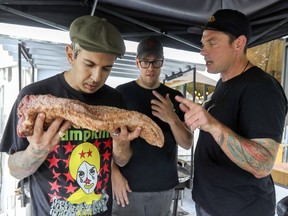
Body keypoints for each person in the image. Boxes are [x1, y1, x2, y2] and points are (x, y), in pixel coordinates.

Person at [0, 15, 141, 216]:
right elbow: (14, 169)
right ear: (70, 55)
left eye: (106, 68)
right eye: (89, 64)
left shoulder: (114, 99)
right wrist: (36, 152)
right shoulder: (35, 97)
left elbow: (122, 161)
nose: (96, 77)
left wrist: (121, 146)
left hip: (100, 210)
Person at [175, 9, 288, 216]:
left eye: (212, 42)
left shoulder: (262, 88)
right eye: (203, 43)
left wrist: (212, 125)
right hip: (208, 203)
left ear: (238, 43)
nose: (203, 51)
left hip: (240, 210)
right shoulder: (223, 82)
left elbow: (263, 165)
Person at [111, 37, 193, 216]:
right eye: (145, 62)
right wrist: (114, 174)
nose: (150, 68)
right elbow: (108, 140)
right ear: (137, 63)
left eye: (156, 62)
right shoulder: (121, 93)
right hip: (128, 186)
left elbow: (187, 143)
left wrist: (172, 118)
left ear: (162, 62)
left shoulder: (174, 96)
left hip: (163, 187)